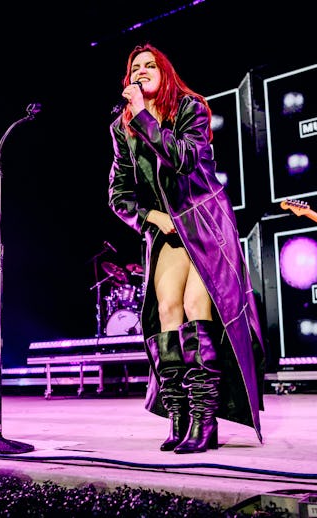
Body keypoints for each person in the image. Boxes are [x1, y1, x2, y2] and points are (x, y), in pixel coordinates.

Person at [107, 43, 265, 453]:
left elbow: (183, 159)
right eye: (134, 68)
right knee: (166, 313)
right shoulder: (122, 129)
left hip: (205, 219)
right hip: (167, 225)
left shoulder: (191, 109)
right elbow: (119, 192)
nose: (141, 72)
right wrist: (150, 218)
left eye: (149, 66)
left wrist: (143, 115)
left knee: (198, 304)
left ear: (165, 73)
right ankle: (178, 415)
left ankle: (204, 420)